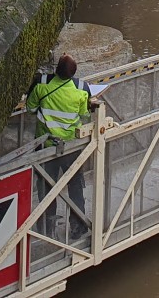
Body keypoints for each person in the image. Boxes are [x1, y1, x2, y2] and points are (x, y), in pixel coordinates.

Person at [26, 54, 98, 241]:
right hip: (71, 147)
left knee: (46, 189)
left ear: (56, 69)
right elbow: (84, 114)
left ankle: (47, 229)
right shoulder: (81, 89)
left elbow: (31, 108)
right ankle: (78, 227)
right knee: (75, 187)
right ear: (74, 73)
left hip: (46, 147)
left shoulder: (42, 84)